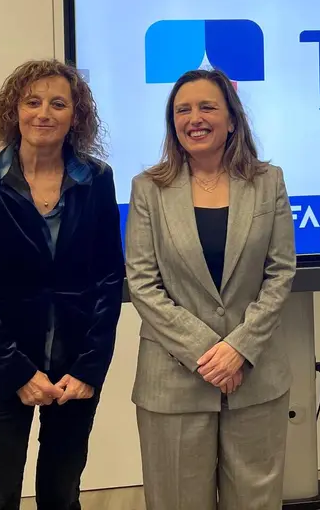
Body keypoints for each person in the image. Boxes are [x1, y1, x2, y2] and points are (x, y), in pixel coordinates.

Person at [0, 59, 124, 510]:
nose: (44, 113)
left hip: (73, 371)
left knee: (61, 497)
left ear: (75, 116)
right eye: (32, 102)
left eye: (58, 104)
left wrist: (89, 369)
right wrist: (17, 372)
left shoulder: (97, 180)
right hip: (0, 370)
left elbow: (109, 278)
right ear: (14, 110)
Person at [126, 68, 296, 510]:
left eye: (207, 107)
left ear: (232, 119)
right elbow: (143, 283)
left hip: (254, 378)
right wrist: (210, 352)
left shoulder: (268, 181)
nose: (194, 118)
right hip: (173, 382)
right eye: (183, 110)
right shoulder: (148, 189)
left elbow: (280, 273)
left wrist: (239, 348)